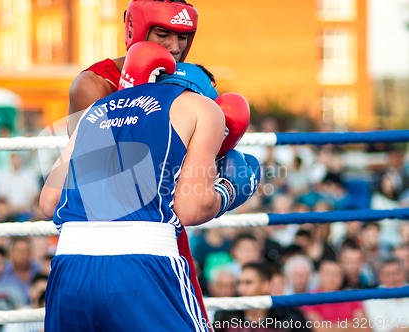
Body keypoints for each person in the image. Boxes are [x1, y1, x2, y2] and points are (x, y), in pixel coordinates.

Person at [40, 42, 259, 331]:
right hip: (142, 262)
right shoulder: (203, 108)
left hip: (69, 265)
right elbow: (190, 209)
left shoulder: (97, 108)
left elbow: (47, 202)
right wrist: (230, 189)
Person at [66, 0, 208, 319]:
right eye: (163, 34)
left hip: (161, 229)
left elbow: (196, 175)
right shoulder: (94, 84)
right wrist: (133, 91)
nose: (175, 47)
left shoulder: (187, 85)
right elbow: (97, 183)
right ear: (136, 29)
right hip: (101, 241)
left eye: (183, 37)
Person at [213, 262, 311, 332]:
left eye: (248, 283)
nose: (241, 288)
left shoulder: (291, 317)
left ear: (266, 286)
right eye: (239, 283)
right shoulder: (224, 315)